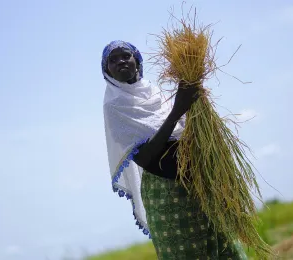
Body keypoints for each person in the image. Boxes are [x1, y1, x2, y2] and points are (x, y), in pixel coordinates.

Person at [102, 40, 247, 260]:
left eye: (126, 55)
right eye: (112, 60)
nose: (120, 61)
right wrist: (178, 110)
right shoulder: (114, 105)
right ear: (107, 71)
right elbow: (143, 157)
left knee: (225, 249)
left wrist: (194, 105)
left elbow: (182, 131)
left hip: (198, 183)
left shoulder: (154, 92)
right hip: (166, 193)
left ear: (137, 61)